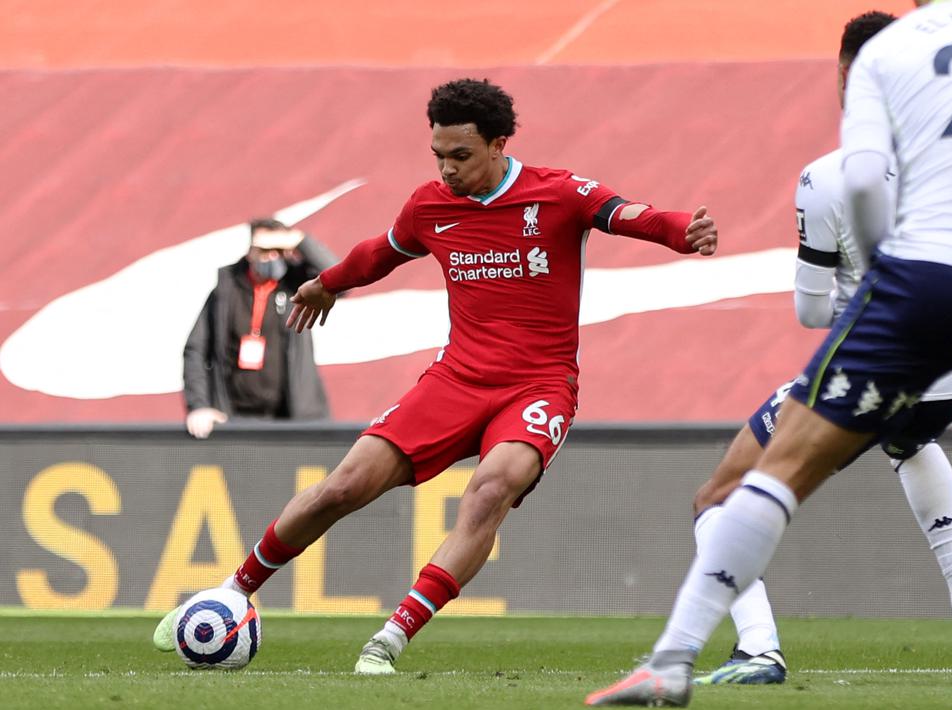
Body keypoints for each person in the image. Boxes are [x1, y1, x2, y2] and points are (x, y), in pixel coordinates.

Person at [587, 0, 952, 706]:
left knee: (775, 468)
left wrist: (888, 287)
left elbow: (858, 181)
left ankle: (675, 659)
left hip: (922, 286)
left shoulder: (890, 55)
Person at [154, 78, 719, 673]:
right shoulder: (431, 205)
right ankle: (232, 591)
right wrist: (327, 283)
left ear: (500, 144)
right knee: (343, 487)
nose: (447, 170)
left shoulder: (557, 193)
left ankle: (390, 638)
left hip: (539, 386)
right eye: (438, 156)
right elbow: (381, 251)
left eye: (461, 156)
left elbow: (628, 214)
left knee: (491, 489)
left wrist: (682, 231)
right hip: (455, 381)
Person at [690, 10, 952, 688]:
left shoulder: (828, 177)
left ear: (848, 76)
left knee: (718, 499)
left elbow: (811, 311)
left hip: (861, 376)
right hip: (944, 386)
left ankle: (759, 650)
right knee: (909, 443)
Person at [182, 218, 336, 439]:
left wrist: (300, 241)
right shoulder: (227, 289)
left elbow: (339, 280)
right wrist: (199, 405)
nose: (272, 257)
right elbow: (195, 349)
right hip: (233, 419)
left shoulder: (299, 285)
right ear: (250, 251)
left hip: (292, 420)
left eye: (279, 250)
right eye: (264, 250)